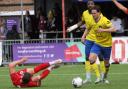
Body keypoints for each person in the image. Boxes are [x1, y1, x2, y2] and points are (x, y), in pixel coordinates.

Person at [68, 0, 104, 84]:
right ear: (87, 5)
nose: (90, 5)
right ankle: (88, 78)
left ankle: (102, 77)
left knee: (100, 57)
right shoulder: (85, 13)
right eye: (89, 4)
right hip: (89, 38)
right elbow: (83, 22)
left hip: (98, 39)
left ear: (94, 5)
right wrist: (73, 27)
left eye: (92, 4)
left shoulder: (98, 14)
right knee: (87, 58)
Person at [89, 5, 116, 83]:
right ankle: (98, 76)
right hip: (97, 43)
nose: (93, 15)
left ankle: (105, 76)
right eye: (92, 13)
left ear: (99, 13)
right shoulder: (91, 20)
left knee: (106, 64)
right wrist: (84, 37)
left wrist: (103, 30)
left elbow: (114, 29)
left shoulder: (104, 20)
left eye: (94, 13)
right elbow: (89, 28)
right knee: (91, 59)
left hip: (107, 45)